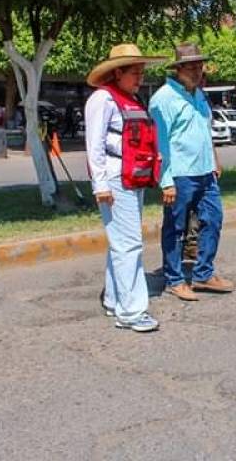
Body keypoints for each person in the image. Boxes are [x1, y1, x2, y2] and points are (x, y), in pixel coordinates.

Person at [85, 43, 166, 332]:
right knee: (129, 244)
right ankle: (132, 312)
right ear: (117, 72)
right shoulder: (103, 99)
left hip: (134, 178)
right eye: (135, 72)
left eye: (141, 72)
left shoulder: (130, 99)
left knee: (121, 243)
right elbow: (94, 146)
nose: (140, 78)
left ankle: (114, 299)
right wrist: (100, 185)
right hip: (115, 179)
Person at [149, 42, 234, 301]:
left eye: (200, 66)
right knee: (175, 228)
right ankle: (175, 278)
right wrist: (166, 181)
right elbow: (160, 142)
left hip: (206, 173)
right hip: (180, 175)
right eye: (191, 66)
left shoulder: (199, 95)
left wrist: (215, 161)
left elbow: (205, 132)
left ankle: (203, 273)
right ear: (179, 69)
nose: (198, 71)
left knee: (213, 220)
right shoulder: (163, 99)